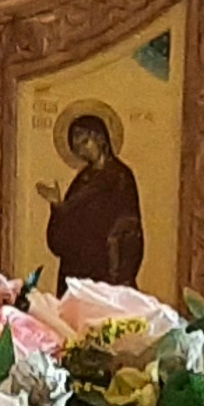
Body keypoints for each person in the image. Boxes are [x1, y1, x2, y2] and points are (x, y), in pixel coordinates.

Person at [40, 109, 143, 287]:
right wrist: (57, 206)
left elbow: (129, 227)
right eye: (76, 147)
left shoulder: (120, 177)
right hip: (76, 272)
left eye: (85, 142)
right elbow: (61, 240)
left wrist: (120, 277)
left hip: (107, 273)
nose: (82, 151)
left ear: (101, 139)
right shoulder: (82, 181)